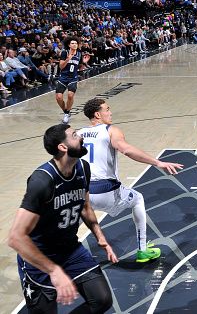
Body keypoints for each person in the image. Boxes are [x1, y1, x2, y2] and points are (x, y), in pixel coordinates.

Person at [8, 124, 118, 313]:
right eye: (75, 135)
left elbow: (84, 206)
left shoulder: (82, 168)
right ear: (62, 147)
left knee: (102, 300)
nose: (81, 137)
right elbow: (16, 238)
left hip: (70, 250)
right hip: (39, 257)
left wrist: (100, 237)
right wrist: (54, 271)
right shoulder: (42, 181)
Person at [79, 98, 184, 262]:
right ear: (98, 114)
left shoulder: (77, 134)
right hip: (107, 191)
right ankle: (142, 250)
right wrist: (158, 162)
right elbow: (126, 150)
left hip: (82, 193)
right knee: (137, 199)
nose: (110, 112)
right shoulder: (110, 130)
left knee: (68, 227)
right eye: (107, 109)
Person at [56, 37, 90, 124]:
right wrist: (68, 58)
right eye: (72, 43)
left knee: (70, 95)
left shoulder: (79, 53)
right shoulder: (64, 52)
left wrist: (84, 63)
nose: (74, 44)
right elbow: (61, 67)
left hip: (73, 78)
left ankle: (66, 115)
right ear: (69, 45)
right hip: (63, 77)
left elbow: (79, 67)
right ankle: (66, 111)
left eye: (76, 43)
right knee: (59, 97)